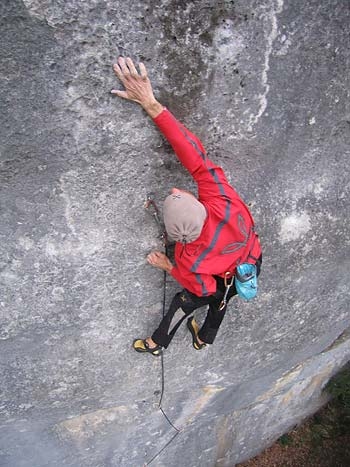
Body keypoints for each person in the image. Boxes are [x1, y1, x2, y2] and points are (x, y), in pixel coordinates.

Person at [111, 57, 262, 356]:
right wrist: (153, 105)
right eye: (181, 195)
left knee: (189, 300)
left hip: (218, 275)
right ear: (199, 205)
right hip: (250, 261)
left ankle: (157, 344)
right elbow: (193, 153)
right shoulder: (222, 199)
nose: (177, 189)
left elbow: (203, 289)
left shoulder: (188, 256)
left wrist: (169, 265)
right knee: (224, 297)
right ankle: (204, 339)